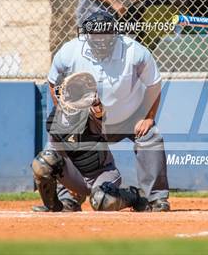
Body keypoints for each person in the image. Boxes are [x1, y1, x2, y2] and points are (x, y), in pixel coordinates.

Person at [48, 11, 170, 212]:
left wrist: (147, 117)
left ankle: (155, 198)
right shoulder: (70, 51)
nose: (100, 39)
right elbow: (53, 82)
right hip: (87, 118)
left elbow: (154, 84)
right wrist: (65, 111)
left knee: (150, 136)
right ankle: (68, 198)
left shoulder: (134, 52)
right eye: (95, 35)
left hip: (128, 116)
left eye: (105, 34)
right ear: (86, 35)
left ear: (115, 34)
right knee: (62, 136)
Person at [31, 73, 149, 212]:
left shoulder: (91, 113)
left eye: (76, 91)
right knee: (43, 162)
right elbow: (56, 156)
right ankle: (58, 204)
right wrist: (68, 187)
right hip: (76, 177)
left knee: (102, 201)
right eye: (70, 92)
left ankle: (134, 196)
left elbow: (103, 121)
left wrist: (97, 106)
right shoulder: (55, 121)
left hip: (102, 173)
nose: (72, 95)